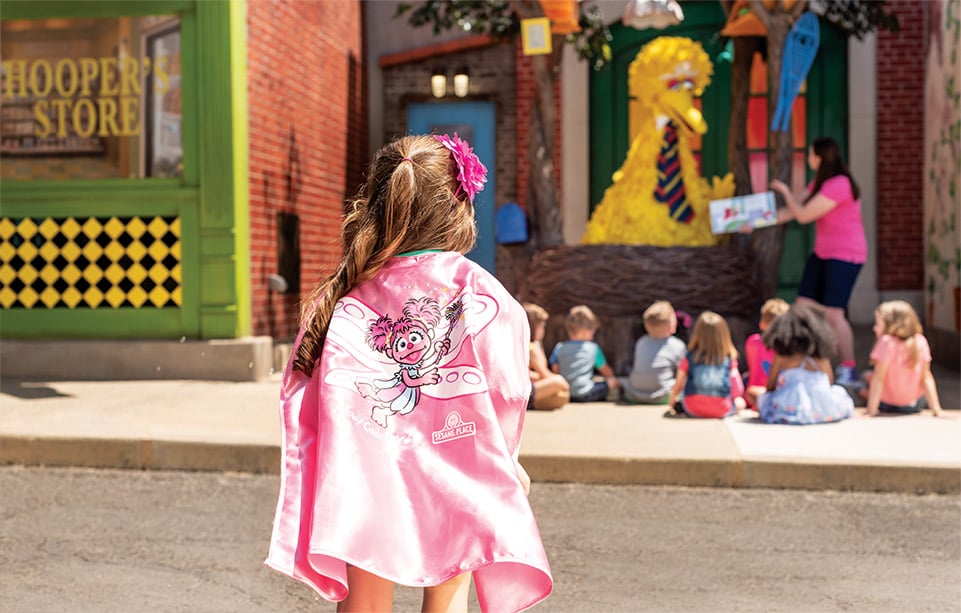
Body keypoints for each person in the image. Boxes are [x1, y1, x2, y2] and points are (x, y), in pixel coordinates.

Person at [265, 134, 552, 613]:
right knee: (448, 595)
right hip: (457, 462)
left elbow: (314, 399)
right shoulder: (481, 292)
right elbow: (505, 388)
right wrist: (505, 459)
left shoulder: (344, 297)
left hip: (367, 473)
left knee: (366, 603)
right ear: (457, 207)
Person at [767, 137, 867, 385]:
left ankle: (848, 369)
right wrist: (752, 222)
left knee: (834, 314)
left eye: (811, 154)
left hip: (845, 256)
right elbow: (791, 212)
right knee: (803, 308)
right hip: (822, 253)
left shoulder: (840, 184)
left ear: (819, 157)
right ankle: (805, 360)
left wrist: (786, 192)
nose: (809, 158)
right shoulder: (819, 183)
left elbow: (802, 216)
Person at [756, 302, 854, 425]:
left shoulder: (782, 356)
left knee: (756, 395)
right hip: (823, 405)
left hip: (790, 404)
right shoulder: (820, 358)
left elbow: (770, 386)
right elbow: (829, 382)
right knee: (838, 391)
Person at [861, 300, 943, 417]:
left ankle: (867, 397)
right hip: (915, 405)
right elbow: (926, 377)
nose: (874, 328)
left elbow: (879, 378)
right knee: (868, 377)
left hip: (887, 404)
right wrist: (936, 409)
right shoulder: (920, 340)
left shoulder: (886, 342)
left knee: (863, 380)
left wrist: (871, 410)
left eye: (878, 324)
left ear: (892, 324)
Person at [668, 311, 747, 418]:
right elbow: (737, 388)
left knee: (683, 400)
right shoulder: (728, 359)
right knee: (740, 402)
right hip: (721, 409)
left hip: (692, 408)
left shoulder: (690, 357)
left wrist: (672, 399)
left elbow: (679, 382)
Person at [619, 300, 687, 404]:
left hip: (635, 394)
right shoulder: (677, 345)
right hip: (663, 396)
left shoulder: (641, 342)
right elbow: (683, 372)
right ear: (672, 326)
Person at [549, 304, 618, 402]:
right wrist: (612, 378)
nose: (593, 335)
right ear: (586, 331)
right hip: (586, 394)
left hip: (565, 393)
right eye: (593, 332)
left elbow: (555, 370)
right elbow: (606, 371)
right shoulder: (593, 348)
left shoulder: (559, 347)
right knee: (612, 382)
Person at [744, 298, 790, 409]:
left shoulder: (752, 342)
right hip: (778, 397)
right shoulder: (789, 348)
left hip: (753, 398)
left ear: (762, 324)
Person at [523, 302, 570, 410]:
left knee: (561, 395)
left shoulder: (532, 345)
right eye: (542, 326)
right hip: (524, 392)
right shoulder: (531, 348)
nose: (544, 330)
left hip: (526, 387)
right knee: (559, 383)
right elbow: (545, 375)